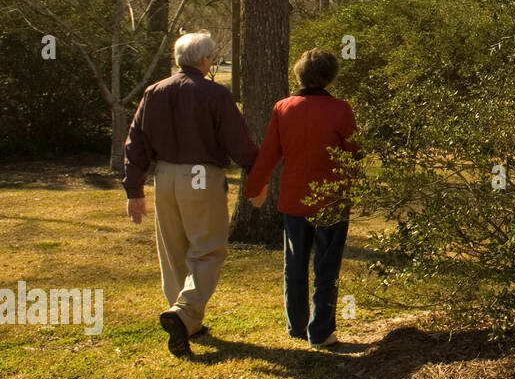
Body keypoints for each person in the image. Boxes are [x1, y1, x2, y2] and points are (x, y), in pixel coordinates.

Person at [124, 31, 264, 357]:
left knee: (172, 250)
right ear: (205, 60)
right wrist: (257, 175)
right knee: (207, 248)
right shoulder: (214, 93)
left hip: (165, 176)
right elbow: (238, 142)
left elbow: (136, 142)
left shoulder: (153, 91)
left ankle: (187, 320)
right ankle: (183, 313)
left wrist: (134, 189)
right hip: (199, 174)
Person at [243, 48, 359, 348]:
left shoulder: (284, 107)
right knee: (327, 266)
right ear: (330, 77)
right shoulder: (341, 110)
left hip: (295, 200)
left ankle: (296, 326)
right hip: (332, 201)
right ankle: (320, 332)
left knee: (294, 264)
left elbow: (269, 153)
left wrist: (254, 187)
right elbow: (354, 155)